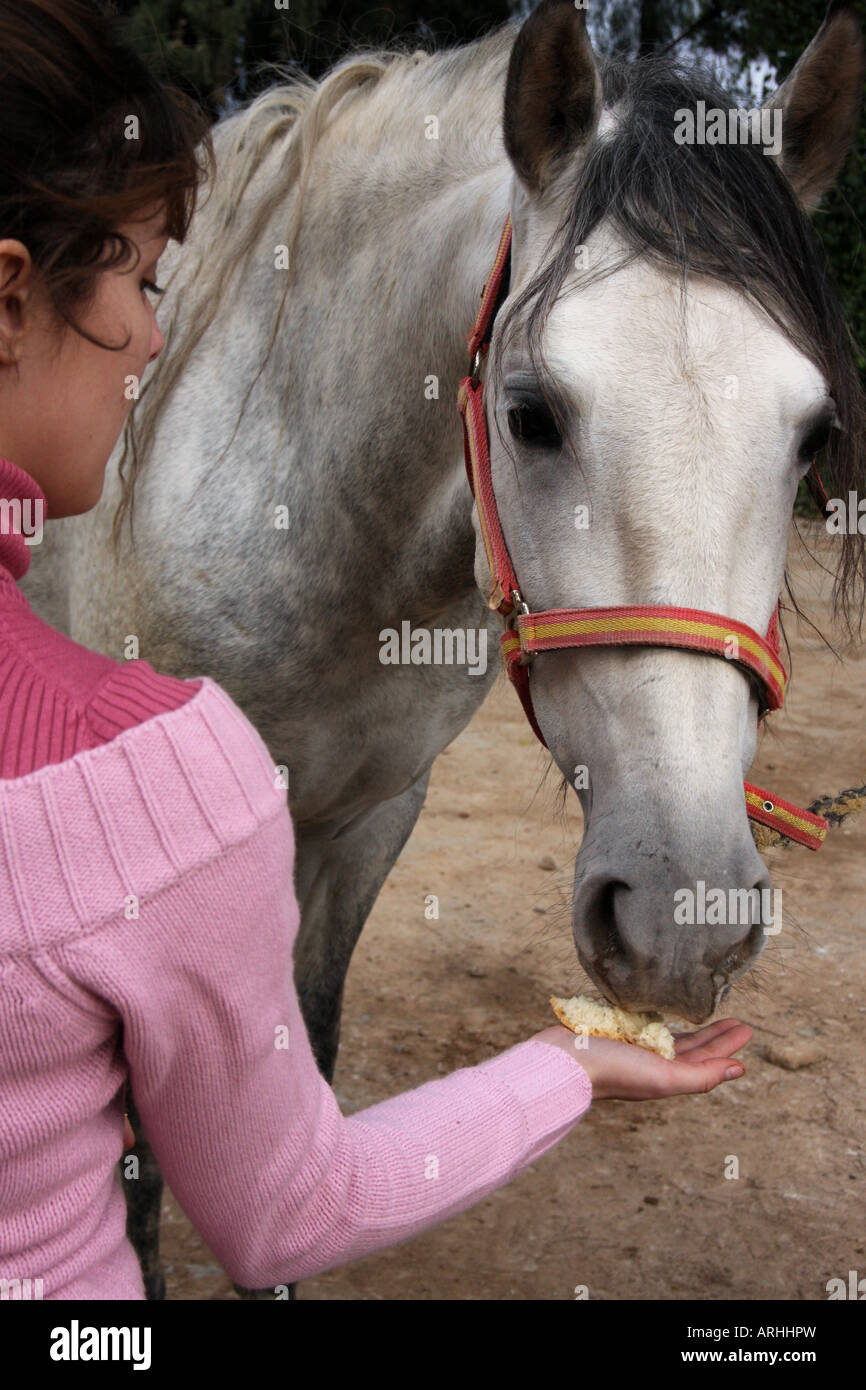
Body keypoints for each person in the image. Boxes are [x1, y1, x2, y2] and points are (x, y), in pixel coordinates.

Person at [0, 0, 751, 1301]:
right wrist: (560, 1068)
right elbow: (290, 1205)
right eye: (142, 283)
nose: (161, 339)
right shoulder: (151, 769)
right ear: (13, 298)